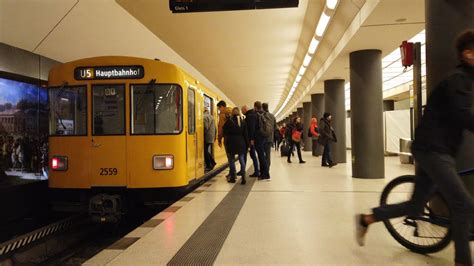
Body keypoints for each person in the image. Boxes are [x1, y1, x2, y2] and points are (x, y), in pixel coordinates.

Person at [355, 29, 474, 266]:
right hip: (434, 150)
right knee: (462, 204)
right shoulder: (459, 79)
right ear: (468, 54)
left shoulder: (465, 79)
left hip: (436, 148)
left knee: (415, 205)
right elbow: (462, 115)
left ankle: (367, 219)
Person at [223, 107, 249, 185]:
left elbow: (225, 131)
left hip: (231, 142)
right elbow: (246, 134)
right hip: (241, 142)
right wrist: (247, 144)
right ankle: (243, 176)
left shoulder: (228, 121)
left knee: (231, 160)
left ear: (232, 113)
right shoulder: (243, 121)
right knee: (241, 159)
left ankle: (233, 177)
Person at [247, 101, 270, 181]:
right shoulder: (263, 114)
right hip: (263, 137)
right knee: (262, 156)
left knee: (261, 157)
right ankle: (264, 173)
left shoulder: (254, 115)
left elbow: (252, 128)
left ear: (255, 107)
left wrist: (252, 139)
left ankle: (266, 174)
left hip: (258, 138)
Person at [241, 105, 260, 177]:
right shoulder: (252, 114)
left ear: (245, 109)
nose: (242, 112)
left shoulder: (250, 116)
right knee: (251, 155)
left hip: (250, 139)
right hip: (252, 139)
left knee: (252, 155)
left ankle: (256, 171)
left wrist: (251, 139)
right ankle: (243, 170)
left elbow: (251, 128)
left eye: (242, 110)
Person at [217, 100, 233, 177]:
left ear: (222, 107)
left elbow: (220, 128)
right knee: (232, 156)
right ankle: (233, 172)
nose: (219, 110)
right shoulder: (232, 112)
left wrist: (219, 139)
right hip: (234, 138)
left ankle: (232, 173)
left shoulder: (222, 115)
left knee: (229, 157)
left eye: (219, 108)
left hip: (227, 138)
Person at [262, 103, 278, 169]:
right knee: (268, 155)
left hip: (262, 138)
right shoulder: (272, 116)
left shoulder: (261, 116)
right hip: (270, 138)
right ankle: (267, 170)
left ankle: (263, 170)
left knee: (262, 155)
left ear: (262, 108)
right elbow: (275, 127)